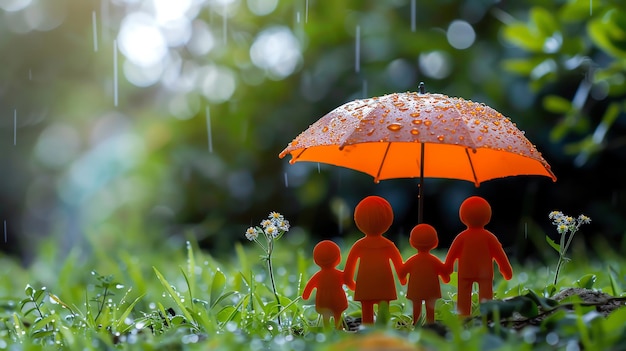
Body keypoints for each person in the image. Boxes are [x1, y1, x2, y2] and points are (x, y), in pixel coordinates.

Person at [445, 196, 513, 316]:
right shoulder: (489, 237)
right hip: (484, 273)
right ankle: (486, 316)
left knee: (464, 296)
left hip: (466, 272)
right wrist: (505, 269)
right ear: (487, 217)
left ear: (462, 217)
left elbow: (452, 255)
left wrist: (448, 268)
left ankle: (463, 316)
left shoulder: (462, 237)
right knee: (486, 298)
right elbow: (500, 254)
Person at [343, 196, 406, 324]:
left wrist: (349, 280)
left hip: (365, 283)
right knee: (383, 306)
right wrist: (402, 277)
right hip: (384, 283)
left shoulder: (359, 245)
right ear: (388, 220)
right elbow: (398, 264)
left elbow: (350, 265)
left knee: (367, 306)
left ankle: (368, 325)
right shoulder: (388, 245)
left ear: (358, 220)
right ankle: (383, 325)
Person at [399, 223, 450, 324]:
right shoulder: (434, 260)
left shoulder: (412, 260)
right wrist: (446, 277)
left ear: (411, 242)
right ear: (435, 242)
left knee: (416, 306)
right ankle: (430, 324)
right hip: (431, 289)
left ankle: (416, 323)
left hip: (415, 289)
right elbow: (444, 272)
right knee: (430, 307)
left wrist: (403, 279)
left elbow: (402, 272)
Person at [302, 240, 349, 329]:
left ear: (316, 260)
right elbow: (348, 281)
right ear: (338, 258)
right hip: (337, 299)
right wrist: (354, 286)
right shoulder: (338, 274)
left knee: (326, 316)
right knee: (337, 314)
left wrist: (306, 295)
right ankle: (339, 329)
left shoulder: (318, 276)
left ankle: (327, 331)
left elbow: (309, 286)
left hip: (323, 301)